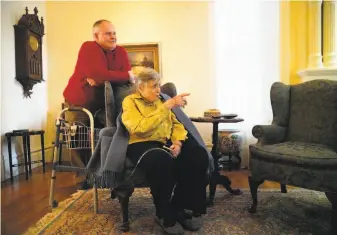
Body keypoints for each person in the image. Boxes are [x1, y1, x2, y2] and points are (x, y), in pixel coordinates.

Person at [120, 68, 209, 234]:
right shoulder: (130, 102)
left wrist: (178, 143)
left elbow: (176, 124)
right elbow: (139, 128)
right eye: (154, 86)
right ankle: (163, 213)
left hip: (165, 141)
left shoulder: (160, 99)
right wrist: (165, 107)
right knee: (161, 160)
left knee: (198, 155)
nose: (158, 90)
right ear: (141, 87)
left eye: (159, 85)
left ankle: (181, 207)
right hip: (141, 143)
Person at [62, 19, 134, 185]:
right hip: (79, 101)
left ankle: (100, 175)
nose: (113, 36)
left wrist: (103, 77)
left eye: (114, 33)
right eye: (108, 33)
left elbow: (125, 81)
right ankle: (82, 179)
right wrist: (110, 76)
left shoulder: (121, 51)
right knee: (78, 138)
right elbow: (102, 73)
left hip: (104, 104)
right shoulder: (88, 47)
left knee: (102, 136)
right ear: (96, 36)